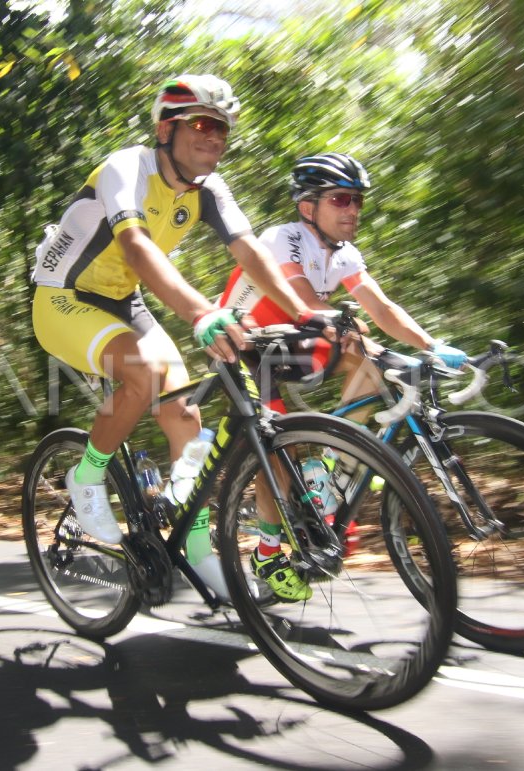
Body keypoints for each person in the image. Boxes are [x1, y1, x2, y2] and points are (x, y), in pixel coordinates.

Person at [29, 74, 327, 601]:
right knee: (142, 376)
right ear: (167, 128)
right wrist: (199, 313)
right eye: (203, 124)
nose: (215, 136)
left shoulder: (210, 191)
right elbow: (138, 247)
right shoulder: (127, 168)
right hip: (64, 296)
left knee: (185, 418)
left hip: (124, 301)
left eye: (223, 129)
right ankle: (87, 476)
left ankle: (197, 551)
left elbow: (251, 252)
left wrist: (305, 311)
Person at [218, 152, 467, 414]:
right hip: (239, 344)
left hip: (286, 341)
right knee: (278, 444)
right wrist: (380, 350)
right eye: (340, 199)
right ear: (307, 208)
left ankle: (333, 454)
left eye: (357, 200)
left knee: (365, 365)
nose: (353, 209)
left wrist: (432, 346)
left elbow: (382, 308)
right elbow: (305, 301)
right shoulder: (282, 237)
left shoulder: (345, 254)